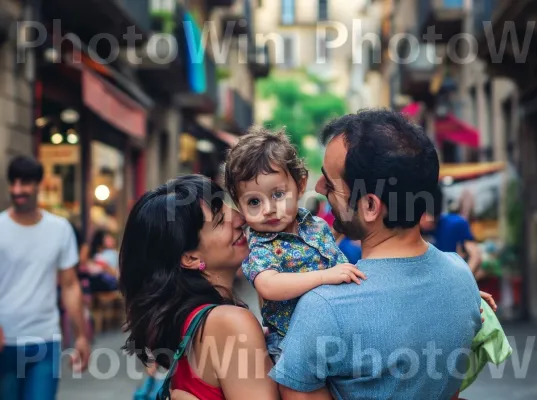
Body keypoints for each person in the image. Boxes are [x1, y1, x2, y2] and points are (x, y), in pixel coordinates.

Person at [267, 109, 485, 399]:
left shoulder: (325, 307)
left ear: (370, 206)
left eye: (330, 183)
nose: (319, 188)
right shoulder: (462, 278)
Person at [119, 175, 279, 400]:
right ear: (190, 257)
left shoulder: (188, 322)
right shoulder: (229, 322)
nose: (240, 218)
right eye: (220, 218)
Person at [224, 127, 365, 363]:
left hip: (337, 329)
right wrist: (324, 276)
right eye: (254, 201)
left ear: (300, 186)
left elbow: (325, 245)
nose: (268, 209)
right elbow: (269, 285)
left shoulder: (313, 224)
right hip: (291, 342)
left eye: (278, 194)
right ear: (239, 204)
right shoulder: (261, 245)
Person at [0, 155, 90, 399]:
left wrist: (81, 336)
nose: (18, 190)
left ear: (39, 185)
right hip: (4, 342)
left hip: (45, 340)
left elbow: (70, 286)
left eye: (25, 183)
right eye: (14, 183)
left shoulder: (59, 229)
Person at [421, 185, 485, 280]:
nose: (423, 219)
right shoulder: (413, 232)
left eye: (427, 215)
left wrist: (463, 280)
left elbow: (475, 256)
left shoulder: (455, 224)